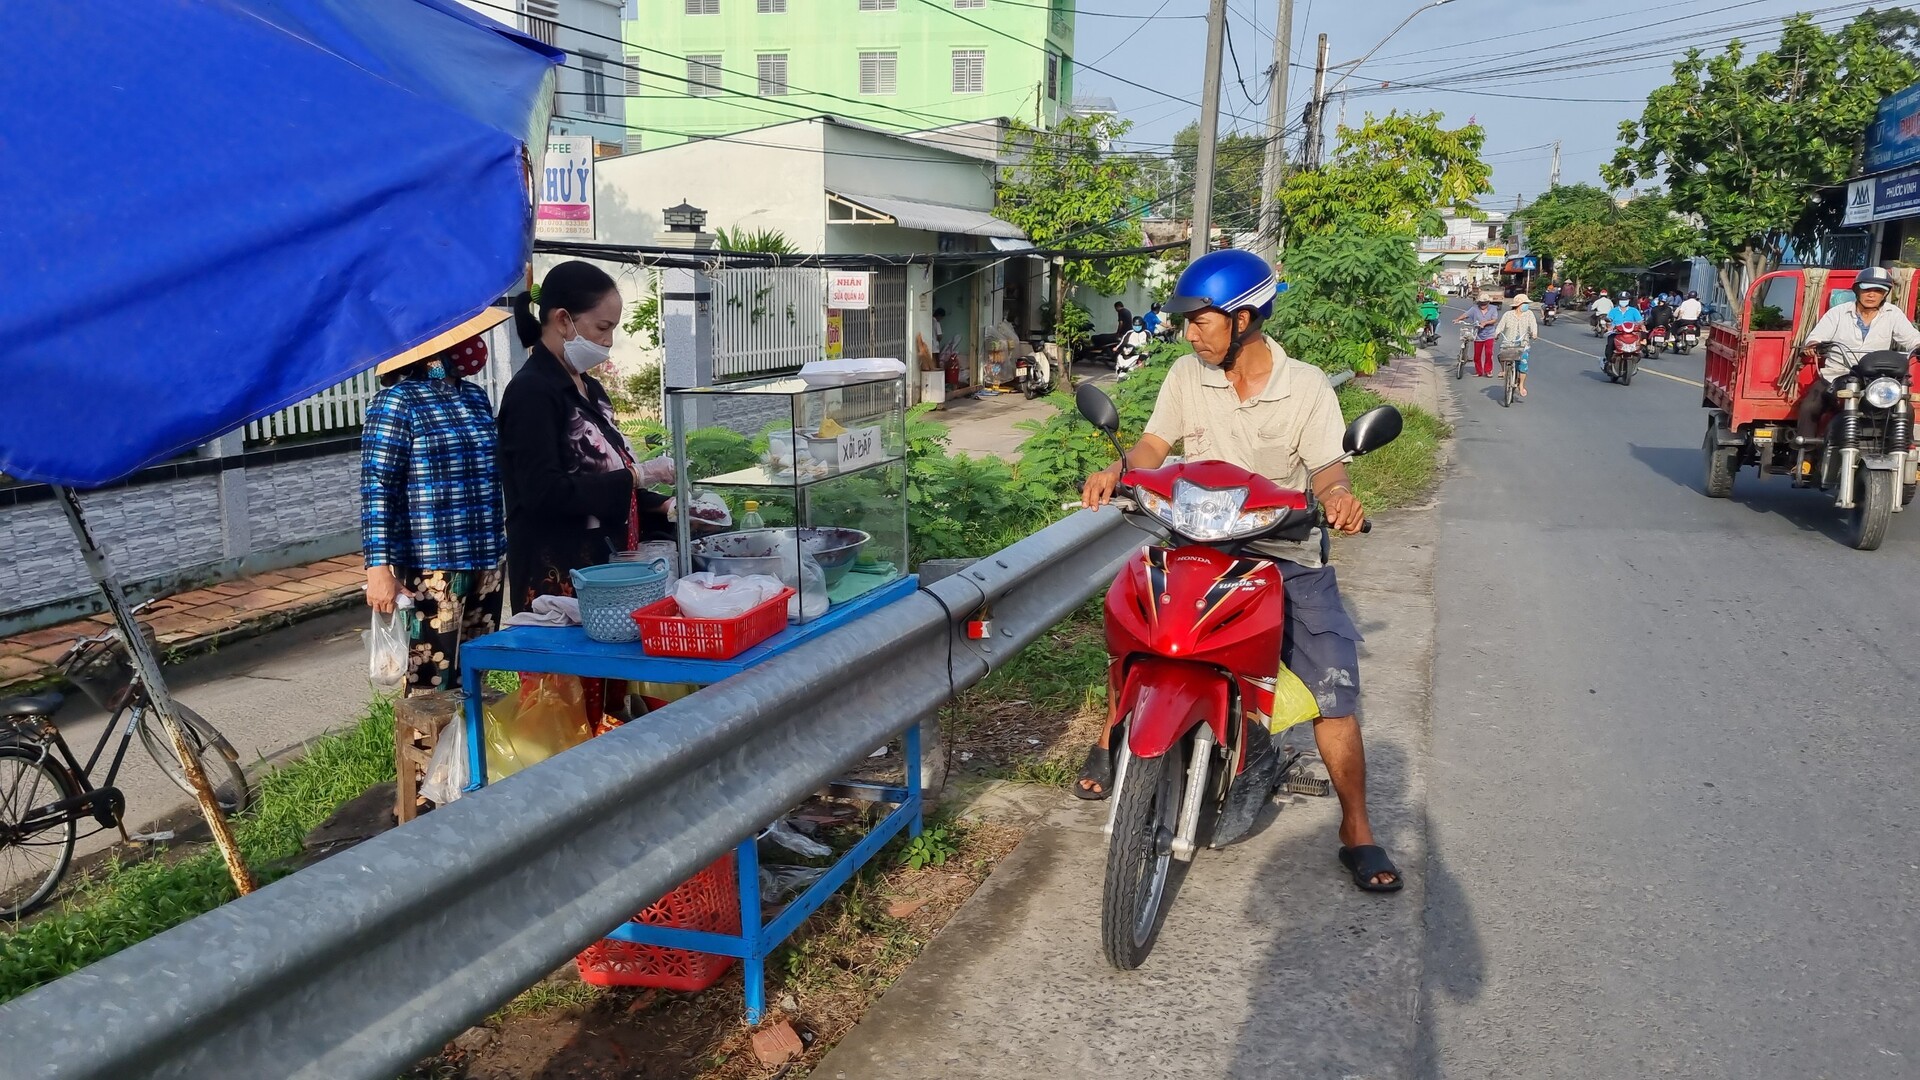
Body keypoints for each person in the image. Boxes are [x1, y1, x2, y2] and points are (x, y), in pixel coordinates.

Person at [1074, 250, 1399, 892]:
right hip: (1196, 540)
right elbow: (1153, 445)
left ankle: (1356, 827)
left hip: (1282, 551)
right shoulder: (1186, 376)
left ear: (1243, 318)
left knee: (1331, 691)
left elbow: (1330, 468)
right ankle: (1116, 736)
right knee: (1136, 627)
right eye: (1187, 323)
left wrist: (1336, 497)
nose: (1188, 333)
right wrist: (1123, 471)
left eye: (1199, 321)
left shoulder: (1303, 386)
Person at [497, 261, 674, 614]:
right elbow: (543, 493)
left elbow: (604, 480)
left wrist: (664, 506)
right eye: (602, 328)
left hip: (606, 569)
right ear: (563, 320)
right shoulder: (532, 392)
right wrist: (638, 475)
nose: (608, 342)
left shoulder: (589, 389)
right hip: (558, 578)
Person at [361, 309, 511, 694]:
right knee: (430, 679)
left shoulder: (476, 398)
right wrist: (378, 569)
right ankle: (427, 754)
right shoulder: (396, 402)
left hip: (488, 559)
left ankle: (467, 753)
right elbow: (378, 487)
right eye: (462, 339)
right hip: (435, 567)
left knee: (476, 674)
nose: (474, 348)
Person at [1797, 266, 1920, 441]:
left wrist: (1918, 345)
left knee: (1906, 410)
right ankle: (1804, 457)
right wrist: (1813, 344)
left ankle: (1902, 454)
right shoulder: (1838, 313)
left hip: (1877, 379)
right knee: (1810, 406)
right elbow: (1816, 336)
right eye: (1867, 289)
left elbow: (1911, 337)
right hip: (1837, 375)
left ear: (1885, 294)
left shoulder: (1893, 314)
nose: (1871, 294)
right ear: (1857, 290)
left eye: (1878, 290)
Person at [1496, 294, 1539, 398]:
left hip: (1523, 344)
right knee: (1501, 355)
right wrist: (1496, 333)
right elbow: (1501, 325)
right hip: (1508, 343)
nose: (1526, 305)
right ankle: (1503, 370)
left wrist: (1534, 333)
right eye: (1525, 303)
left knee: (1523, 365)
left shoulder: (1529, 314)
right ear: (1519, 305)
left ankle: (1521, 385)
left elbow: (1534, 325)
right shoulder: (1508, 314)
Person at [1454, 293, 1501, 377]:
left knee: (1489, 352)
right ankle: (1479, 371)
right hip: (1478, 334)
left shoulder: (1493, 309)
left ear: (1488, 302)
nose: (1483, 305)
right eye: (1481, 303)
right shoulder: (1475, 309)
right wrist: (1457, 319)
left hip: (1489, 333)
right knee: (1477, 354)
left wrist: (1485, 323)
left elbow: (1494, 319)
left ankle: (1488, 370)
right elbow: (1466, 315)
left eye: (1485, 303)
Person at [1604, 293, 1644, 366]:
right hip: (1616, 333)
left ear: (1629, 300)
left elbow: (1640, 321)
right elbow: (1609, 321)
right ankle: (1609, 361)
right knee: (1610, 345)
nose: (1623, 301)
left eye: (1625, 300)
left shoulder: (1634, 311)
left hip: (1630, 334)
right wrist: (1609, 327)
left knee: (1639, 344)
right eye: (1622, 300)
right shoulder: (1613, 311)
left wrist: (1643, 327)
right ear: (1619, 301)